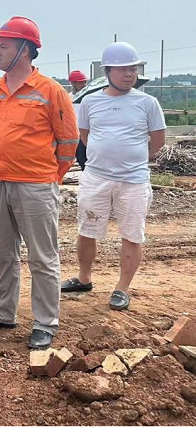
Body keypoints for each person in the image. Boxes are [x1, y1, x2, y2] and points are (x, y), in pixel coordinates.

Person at [0, 16, 79, 350]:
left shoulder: (50, 90)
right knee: (3, 251)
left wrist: (51, 177)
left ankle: (45, 322)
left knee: (42, 257)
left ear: (26, 50)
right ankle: (3, 312)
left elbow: (69, 142)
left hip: (36, 185)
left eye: (4, 46)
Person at [61, 42, 166, 310]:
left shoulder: (147, 103)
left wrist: (133, 158)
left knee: (132, 234)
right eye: (122, 69)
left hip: (133, 181)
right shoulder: (90, 101)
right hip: (96, 178)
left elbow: (158, 140)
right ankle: (84, 278)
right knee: (87, 230)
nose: (129, 74)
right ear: (107, 71)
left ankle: (122, 288)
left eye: (133, 69)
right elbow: (85, 135)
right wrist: (106, 154)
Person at [69, 70, 90, 169]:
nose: (83, 85)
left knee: (84, 157)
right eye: (80, 82)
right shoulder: (68, 98)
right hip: (73, 132)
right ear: (73, 83)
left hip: (85, 131)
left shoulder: (88, 98)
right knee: (78, 156)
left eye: (84, 82)